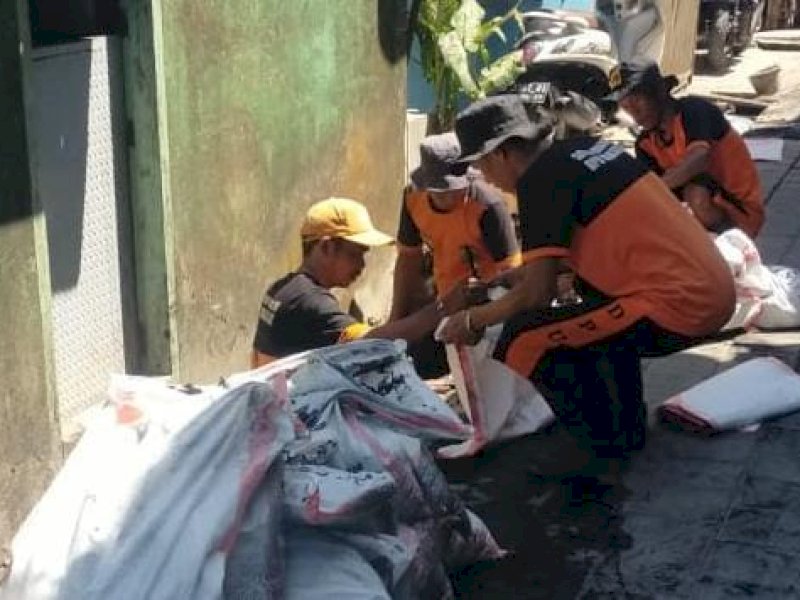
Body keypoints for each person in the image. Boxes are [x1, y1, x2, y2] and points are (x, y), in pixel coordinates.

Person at [438, 94, 736, 464]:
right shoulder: (586, 151)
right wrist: (503, 282)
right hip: (711, 288)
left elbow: (537, 294)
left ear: (501, 153)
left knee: (524, 339)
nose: (485, 178)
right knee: (590, 298)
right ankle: (625, 423)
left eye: (481, 164)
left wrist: (472, 320)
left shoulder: (540, 182)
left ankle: (603, 444)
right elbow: (584, 249)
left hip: (683, 305)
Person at [251, 197, 464, 367]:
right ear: (327, 247)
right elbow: (374, 343)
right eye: (356, 254)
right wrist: (442, 309)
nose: (362, 265)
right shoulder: (311, 303)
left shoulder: (282, 288)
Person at [609, 60, 764, 238]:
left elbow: (700, 158)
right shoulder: (646, 144)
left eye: (637, 101)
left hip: (740, 211)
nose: (634, 113)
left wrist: (654, 188)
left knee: (694, 194)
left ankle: (732, 243)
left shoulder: (694, 110)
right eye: (626, 107)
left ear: (658, 93)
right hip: (702, 213)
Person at [391, 132, 521, 320]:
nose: (450, 198)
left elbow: (511, 273)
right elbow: (408, 258)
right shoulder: (412, 199)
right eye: (440, 192)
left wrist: (483, 309)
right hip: (443, 298)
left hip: (487, 304)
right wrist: (396, 318)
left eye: (455, 190)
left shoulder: (488, 205)